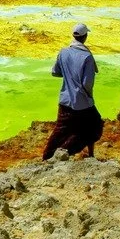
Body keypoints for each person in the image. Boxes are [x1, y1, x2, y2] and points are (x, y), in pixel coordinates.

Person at [42, 23, 104, 160]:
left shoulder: (63, 52)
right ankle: (76, 152)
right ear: (85, 36)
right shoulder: (87, 57)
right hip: (82, 103)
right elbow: (87, 83)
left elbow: (55, 72)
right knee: (94, 126)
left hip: (64, 100)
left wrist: (69, 75)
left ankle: (47, 156)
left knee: (60, 130)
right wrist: (88, 97)